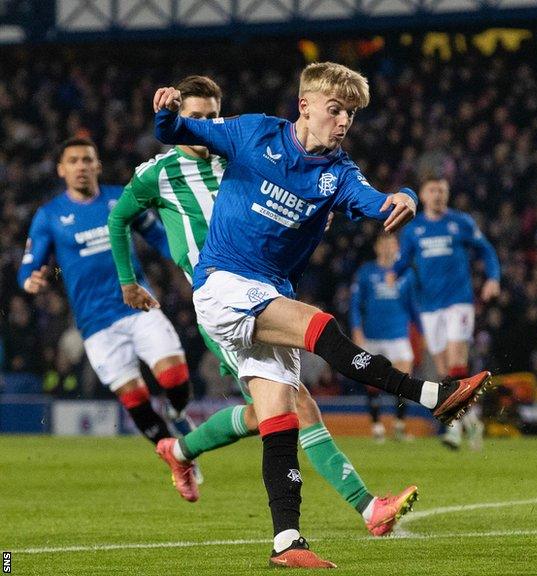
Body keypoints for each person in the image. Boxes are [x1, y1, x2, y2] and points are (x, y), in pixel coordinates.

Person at [152, 62, 491, 568]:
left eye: (350, 115)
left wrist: (407, 196)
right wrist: (164, 112)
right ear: (304, 106)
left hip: (267, 291)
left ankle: (285, 541)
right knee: (319, 327)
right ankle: (430, 395)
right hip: (222, 285)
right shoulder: (253, 132)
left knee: (279, 419)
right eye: (335, 110)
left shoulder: (338, 174)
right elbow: (178, 130)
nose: (343, 122)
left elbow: (378, 203)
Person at [109, 75, 418, 537]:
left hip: (263, 291)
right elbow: (119, 218)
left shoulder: (239, 153)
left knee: (268, 413)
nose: (207, 125)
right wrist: (129, 281)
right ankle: (368, 507)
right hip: (223, 300)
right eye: (197, 118)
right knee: (298, 405)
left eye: (213, 116)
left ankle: (179, 451)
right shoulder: (159, 172)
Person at [18, 137, 195, 450]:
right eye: (73, 161)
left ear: (97, 165)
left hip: (138, 306)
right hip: (95, 323)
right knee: (136, 401)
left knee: (175, 379)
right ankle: (176, 457)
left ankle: (176, 409)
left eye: (87, 160)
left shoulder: (121, 199)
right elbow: (30, 264)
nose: (81, 167)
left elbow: (158, 236)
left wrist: (191, 260)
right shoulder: (50, 215)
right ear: (61, 170)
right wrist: (29, 280)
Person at [395, 174, 500, 450]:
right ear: (423, 195)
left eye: (443, 190)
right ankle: (473, 420)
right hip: (429, 307)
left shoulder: (460, 222)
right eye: (433, 190)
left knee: (456, 363)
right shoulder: (413, 230)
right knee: (445, 372)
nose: (439, 195)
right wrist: (391, 275)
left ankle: (453, 427)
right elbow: (403, 262)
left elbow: (486, 250)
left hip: (459, 302)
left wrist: (492, 278)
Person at [351, 233, 419, 442]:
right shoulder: (366, 272)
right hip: (372, 335)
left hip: (398, 334)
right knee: (372, 382)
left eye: (393, 244)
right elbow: (355, 304)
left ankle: (399, 425)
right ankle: (377, 426)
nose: (389, 248)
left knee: (404, 381)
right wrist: (356, 330)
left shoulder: (406, 274)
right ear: (377, 247)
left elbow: (413, 305)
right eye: (385, 243)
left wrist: (422, 331)